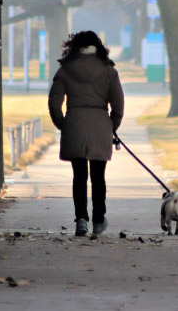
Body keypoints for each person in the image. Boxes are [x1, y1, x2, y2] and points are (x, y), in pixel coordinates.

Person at [48, 31, 125, 236]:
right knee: (99, 177)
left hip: (75, 123)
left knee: (79, 176)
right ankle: (99, 220)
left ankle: (81, 219)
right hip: (100, 123)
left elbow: (55, 103)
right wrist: (111, 126)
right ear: (98, 46)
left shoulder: (65, 70)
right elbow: (118, 104)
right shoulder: (109, 70)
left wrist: (63, 125)